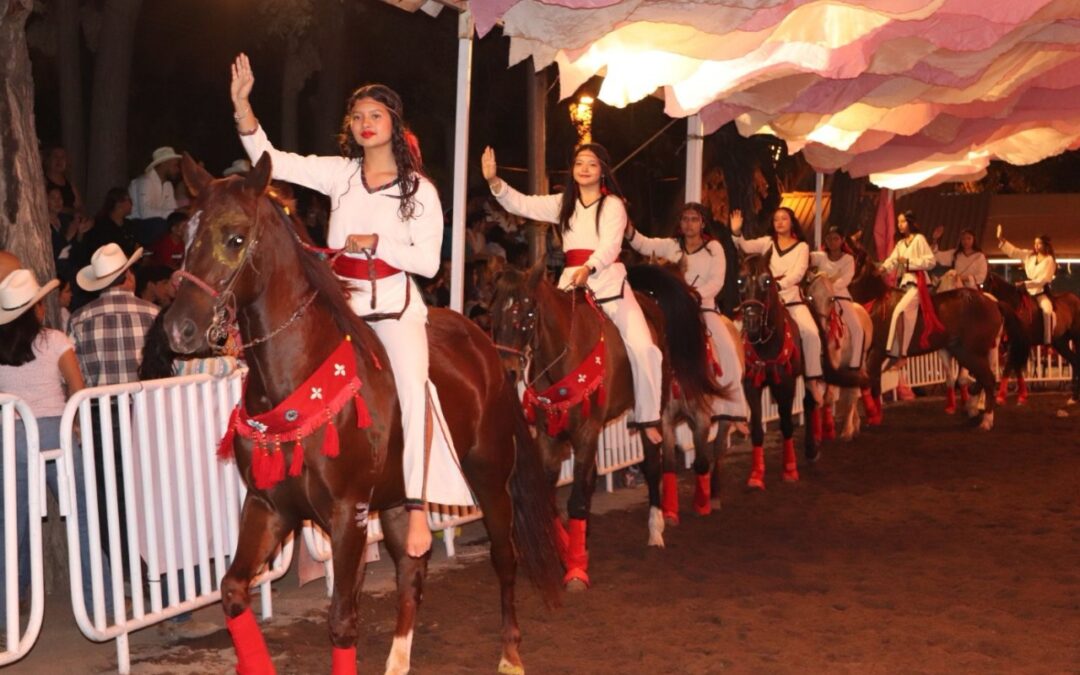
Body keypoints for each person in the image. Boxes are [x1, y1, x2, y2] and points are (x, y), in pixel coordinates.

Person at [231, 53, 473, 557]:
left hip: (394, 311)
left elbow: (427, 264)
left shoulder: (420, 191)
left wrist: (376, 243)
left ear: (394, 125)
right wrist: (242, 109)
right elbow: (272, 160)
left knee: (410, 387)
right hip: (341, 309)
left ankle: (416, 508)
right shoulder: (340, 174)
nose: (366, 124)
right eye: (359, 116)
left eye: (376, 116)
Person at [481, 144, 665, 442]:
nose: (584, 169)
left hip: (609, 284)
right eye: (579, 163)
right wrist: (494, 182)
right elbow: (524, 204)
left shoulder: (613, 205)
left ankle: (647, 417)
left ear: (602, 170)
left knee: (645, 348)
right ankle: (531, 408)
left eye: (591, 164)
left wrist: (590, 268)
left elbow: (610, 246)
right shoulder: (563, 202)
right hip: (570, 284)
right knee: (534, 336)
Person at [0, 268, 112, 623]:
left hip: (12, 432)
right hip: (56, 431)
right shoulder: (57, 340)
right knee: (82, 518)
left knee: (10, 527)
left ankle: (5, 611)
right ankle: (100, 602)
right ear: (37, 308)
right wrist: (76, 427)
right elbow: (78, 388)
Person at [69, 243, 158, 573]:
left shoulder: (79, 320)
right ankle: (154, 563)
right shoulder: (153, 314)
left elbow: (75, 377)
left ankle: (121, 566)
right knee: (151, 490)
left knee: (110, 495)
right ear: (129, 277)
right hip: (147, 417)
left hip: (102, 419)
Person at [624, 202, 749, 420]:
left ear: (702, 223)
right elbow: (644, 244)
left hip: (704, 307)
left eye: (694, 219)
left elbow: (717, 282)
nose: (689, 224)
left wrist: (693, 295)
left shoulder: (714, 248)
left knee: (728, 348)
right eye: (685, 219)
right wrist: (629, 230)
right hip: (672, 309)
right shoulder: (671, 245)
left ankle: (733, 411)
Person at [731, 207, 824, 400]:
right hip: (767, 301)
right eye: (776, 219)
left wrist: (777, 285)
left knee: (812, 333)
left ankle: (812, 379)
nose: (779, 222)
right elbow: (745, 247)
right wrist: (736, 232)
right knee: (737, 328)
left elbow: (798, 273)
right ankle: (736, 374)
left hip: (791, 300)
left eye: (784, 218)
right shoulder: (767, 243)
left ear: (792, 222)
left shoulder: (802, 247)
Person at [879, 210, 937, 359]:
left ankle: (901, 353)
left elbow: (931, 261)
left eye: (903, 221)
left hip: (918, 284)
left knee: (899, 310)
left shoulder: (919, 239)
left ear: (910, 222)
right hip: (904, 285)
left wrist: (909, 263)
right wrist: (883, 268)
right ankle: (897, 350)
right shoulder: (900, 244)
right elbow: (892, 260)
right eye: (898, 222)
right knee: (897, 312)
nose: (900, 225)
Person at [810, 227, 865, 369]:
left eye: (836, 238)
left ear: (842, 241)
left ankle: (854, 366)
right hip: (820, 298)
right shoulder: (820, 256)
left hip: (840, 296)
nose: (832, 242)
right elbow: (807, 258)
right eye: (829, 239)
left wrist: (828, 289)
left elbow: (846, 279)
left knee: (858, 329)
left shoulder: (848, 259)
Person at [997, 225, 1057, 344]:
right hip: (1025, 291)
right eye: (1035, 243)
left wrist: (1025, 284)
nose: (1036, 246)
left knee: (1047, 310)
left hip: (1040, 291)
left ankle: (1047, 340)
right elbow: (1015, 252)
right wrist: (1001, 239)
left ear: (1045, 245)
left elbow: (1043, 279)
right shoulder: (1030, 255)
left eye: (1039, 243)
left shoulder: (1050, 260)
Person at [129, 146, 182, 246]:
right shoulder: (145, 181)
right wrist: (174, 213)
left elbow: (171, 211)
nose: (177, 169)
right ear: (164, 164)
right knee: (160, 225)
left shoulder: (168, 185)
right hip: (136, 225)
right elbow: (145, 213)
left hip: (154, 225)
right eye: (175, 165)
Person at [43, 145, 84, 216]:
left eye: (62, 157)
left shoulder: (70, 185)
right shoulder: (43, 182)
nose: (59, 160)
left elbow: (80, 207)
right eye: (55, 156)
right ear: (48, 160)